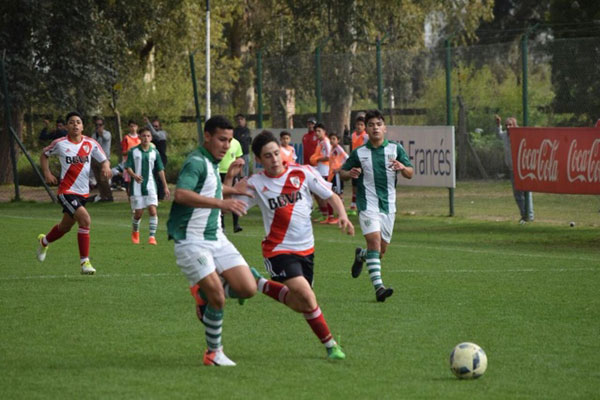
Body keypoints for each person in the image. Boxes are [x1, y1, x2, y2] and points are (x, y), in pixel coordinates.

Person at [237, 130, 353, 360]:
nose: (274, 159)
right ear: (259, 160)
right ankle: (331, 346)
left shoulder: (303, 172)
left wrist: (343, 215)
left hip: (307, 250)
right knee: (308, 298)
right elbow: (229, 206)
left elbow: (331, 196)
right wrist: (231, 183)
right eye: (267, 156)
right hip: (278, 250)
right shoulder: (255, 183)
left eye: (276, 153)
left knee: (301, 304)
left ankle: (259, 284)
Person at [167, 115, 257, 366]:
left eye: (229, 140)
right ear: (207, 136)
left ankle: (203, 293)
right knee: (219, 296)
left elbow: (211, 186)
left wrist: (232, 189)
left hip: (216, 237)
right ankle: (213, 353)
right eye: (221, 139)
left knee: (247, 289)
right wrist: (222, 202)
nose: (226, 145)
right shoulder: (196, 161)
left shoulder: (211, 163)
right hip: (191, 240)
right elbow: (182, 194)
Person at [340, 110, 414, 302]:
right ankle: (379, 288)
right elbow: (342, 172)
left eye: (378, 124)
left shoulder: (395, 149)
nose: (375, 128)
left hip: (388, 205)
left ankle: (361, 256)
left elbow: (410, 173)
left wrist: (402, 168)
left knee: (380, 252)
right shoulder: (360, 152)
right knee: (374, 243)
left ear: (385, 128)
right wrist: (351, 173)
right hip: (367, 204)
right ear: (367, 129)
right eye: (371, 125)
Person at [36, 111, 112, 275]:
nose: (75, 124)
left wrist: (106, 166)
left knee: (65, 227)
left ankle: (44, 241)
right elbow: (44, 154)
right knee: (85, 220)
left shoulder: (90, 143)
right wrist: (47, 173)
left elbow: (104, 159)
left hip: (83, 193)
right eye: (71, 122)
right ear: (66, 126)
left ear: (82, 126)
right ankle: (85, 263)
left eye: (78, 122)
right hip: (66, 191)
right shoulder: (60, 143)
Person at [125, 127, 170, 245]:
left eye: (148, 136)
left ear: (151, 138)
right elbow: (128, 166)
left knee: (152, 210)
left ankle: (152, 237)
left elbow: (160, 169)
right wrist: (134, 175)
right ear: (139, 137)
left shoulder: (155, 152)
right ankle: (135, 232)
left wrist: (165, 186)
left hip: (150, 185)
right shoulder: (133, 151)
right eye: (143, 136)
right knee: (138, 213)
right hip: (137, 186)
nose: (146, 138)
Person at [495, 114, 534, 224]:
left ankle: (529, 215)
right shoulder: (505, 136)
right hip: (512, 169)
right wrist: (498, 125)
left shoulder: (520, 135)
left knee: (526, 193)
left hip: (522, 168)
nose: (508, 127)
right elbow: (499, 134)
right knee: (518, 195)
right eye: (506, 125)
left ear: (515, 126)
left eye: (510, 125)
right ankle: (524, 215)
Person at [218, 136, 244, 233]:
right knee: (220, 197)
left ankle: (236, 224)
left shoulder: (236, 143)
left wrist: (240, 175)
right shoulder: (218, 142)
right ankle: (222, 224)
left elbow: (238, 160)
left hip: (232, 174)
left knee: (234, 198)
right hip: (219, 172)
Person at [310, 123, 334, 224]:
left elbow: (328, 156)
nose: (317, 133)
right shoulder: (320, 142)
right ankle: (324, 214)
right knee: (318, 192)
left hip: (325, 170)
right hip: (320, 169)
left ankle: (329, 215)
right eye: (316, 131)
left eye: (319, 131)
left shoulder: (326, 142)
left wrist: (317, 158)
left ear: (324, 132)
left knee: (324, 192)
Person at [144, 116, 168, 200]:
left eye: (156, 126)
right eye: (153, 126)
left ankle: (161, 196)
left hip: (161, 158)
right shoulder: (149, 137)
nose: (154, 128)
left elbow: (155, 134)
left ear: (160, 127)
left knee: (160, 177)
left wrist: (148, 123)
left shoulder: (162, 133)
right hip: (152, 158)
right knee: (152, 176)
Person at [349, 115, 368, 215]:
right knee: (354, 185)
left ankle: (362, 205)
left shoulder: (366, 136)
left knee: (362, 184)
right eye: (358, 124)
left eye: (361, 124)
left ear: (364, 126)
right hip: (355, 162)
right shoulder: (353, 135)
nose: (359, 126)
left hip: (362, 163)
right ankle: (353, 205)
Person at [91, 116, 113, 202]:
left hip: (104, 160)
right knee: (98, 180)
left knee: (104, 179)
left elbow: (105, 138)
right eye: (97, 125)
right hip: (95, 159)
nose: (98, 126)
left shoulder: (107, 133)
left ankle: (109, 196)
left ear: (103, 125)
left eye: (100, 125)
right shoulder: (93, 135)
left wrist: (100, 133)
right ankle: (103, 196)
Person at [327, 132, 349, 221]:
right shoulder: (332, 149)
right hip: (332, 175)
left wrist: (339, 169)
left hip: (336, 175)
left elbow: (347, 159)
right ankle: (336, 214)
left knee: (339, 194)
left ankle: (342, 215)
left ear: (338, 140)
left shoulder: (339, 149)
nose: (331, 141)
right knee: (333, 194)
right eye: (330, 139)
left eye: (334, 139)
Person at [121, 120, 141, 197]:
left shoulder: (140, 137)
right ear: (129, 127)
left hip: (138, 162)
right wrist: (130, 151)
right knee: (128, 181)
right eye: (131, 126)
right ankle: (130, 198)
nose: (133, 128)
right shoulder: (126, 138)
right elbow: (123, 152)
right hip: (128, 161)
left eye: (134, 126)